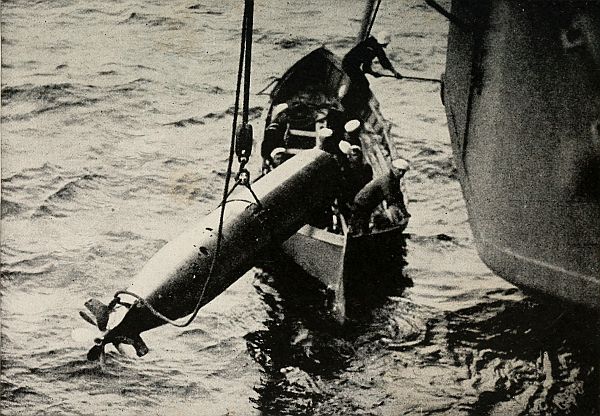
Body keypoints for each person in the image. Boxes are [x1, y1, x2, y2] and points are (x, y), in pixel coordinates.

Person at [341, 31, 403, 116]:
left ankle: (349, 102)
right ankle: (348, 104)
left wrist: (394, 73)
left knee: (359, 82)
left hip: (350, 63)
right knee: (363, 84)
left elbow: (382, 62)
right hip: (349, 65)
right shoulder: (372, 49)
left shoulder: (371, 42)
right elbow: (366, 68)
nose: (387, 45)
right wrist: (375, 73)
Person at [348, 157, 411, 235]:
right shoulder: (386, 180)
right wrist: (395, 215)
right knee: (360, 223)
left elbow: (398, 196)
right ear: (393, 168)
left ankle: (363, 235)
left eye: (403, 171)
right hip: (362, 202)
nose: (401, 173)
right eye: (399, 170)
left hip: (370, 204)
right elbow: (389, 198)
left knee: (364, 224)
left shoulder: (395, 179)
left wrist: (404, 212)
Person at [261, 103, 289, 169]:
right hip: (274, 157)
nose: (287, 117)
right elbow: (266, 149)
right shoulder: (272, 130)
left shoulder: (282, 126)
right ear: (279, 116)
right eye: (285, 114)